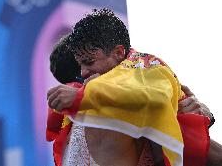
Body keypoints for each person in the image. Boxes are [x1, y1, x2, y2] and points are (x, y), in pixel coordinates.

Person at [46, 9, 215, 166]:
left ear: (120, 54)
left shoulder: (140, 97)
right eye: (79, 73)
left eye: (89, 63)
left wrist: (196, 120)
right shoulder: (97, 105)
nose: (84, 75)